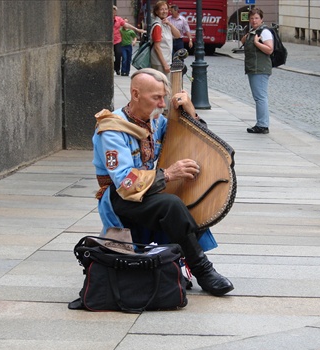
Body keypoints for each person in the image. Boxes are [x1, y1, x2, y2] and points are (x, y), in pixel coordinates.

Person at [92, 68, 234, 297]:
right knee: (171, 205)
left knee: (189, 201)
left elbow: (195, 140)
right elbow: (125, 182)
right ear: (135, 94)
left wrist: (190, 111)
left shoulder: (156, 122)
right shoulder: (111, 130)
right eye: (156, 97)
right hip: (120, 198)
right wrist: (168, 174)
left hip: (149, 192)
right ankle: (203, 270)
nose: (162, 103)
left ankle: (172, 264)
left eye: (164, 97)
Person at [240, 8, 273, 134]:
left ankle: (262, 125)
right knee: (259, 97)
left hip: (260, 68)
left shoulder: (264, 32)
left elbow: (270, 49)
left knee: (260, 97)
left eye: (257, 18)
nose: (254, 20)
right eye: (252, 18)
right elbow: (243, 41)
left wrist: (256, 43)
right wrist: (248, 37)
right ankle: (261, 123)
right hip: (254, 68)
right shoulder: (254, 31)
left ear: (262, 19)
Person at [150, 1, 181, 76]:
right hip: (160, 63)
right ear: (156, 12)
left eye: (166, 9)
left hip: (166, 60)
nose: (165, 11)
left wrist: (169, 24)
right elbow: (157, 47)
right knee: (162, 85)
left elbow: (178, 35)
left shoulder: (165, 24)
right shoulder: (157, 26)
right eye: (162, 9)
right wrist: (165, 64)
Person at [113, 6, 144, 76]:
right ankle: (113, 67)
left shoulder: (119, 19)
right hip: (109, 40)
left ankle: (117, 68)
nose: (113, 12)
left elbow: (126, 25)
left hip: (117, 40)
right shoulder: (106, 19)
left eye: (115, 11)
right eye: (112, 11)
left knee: (118, 55)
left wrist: (136, 29)